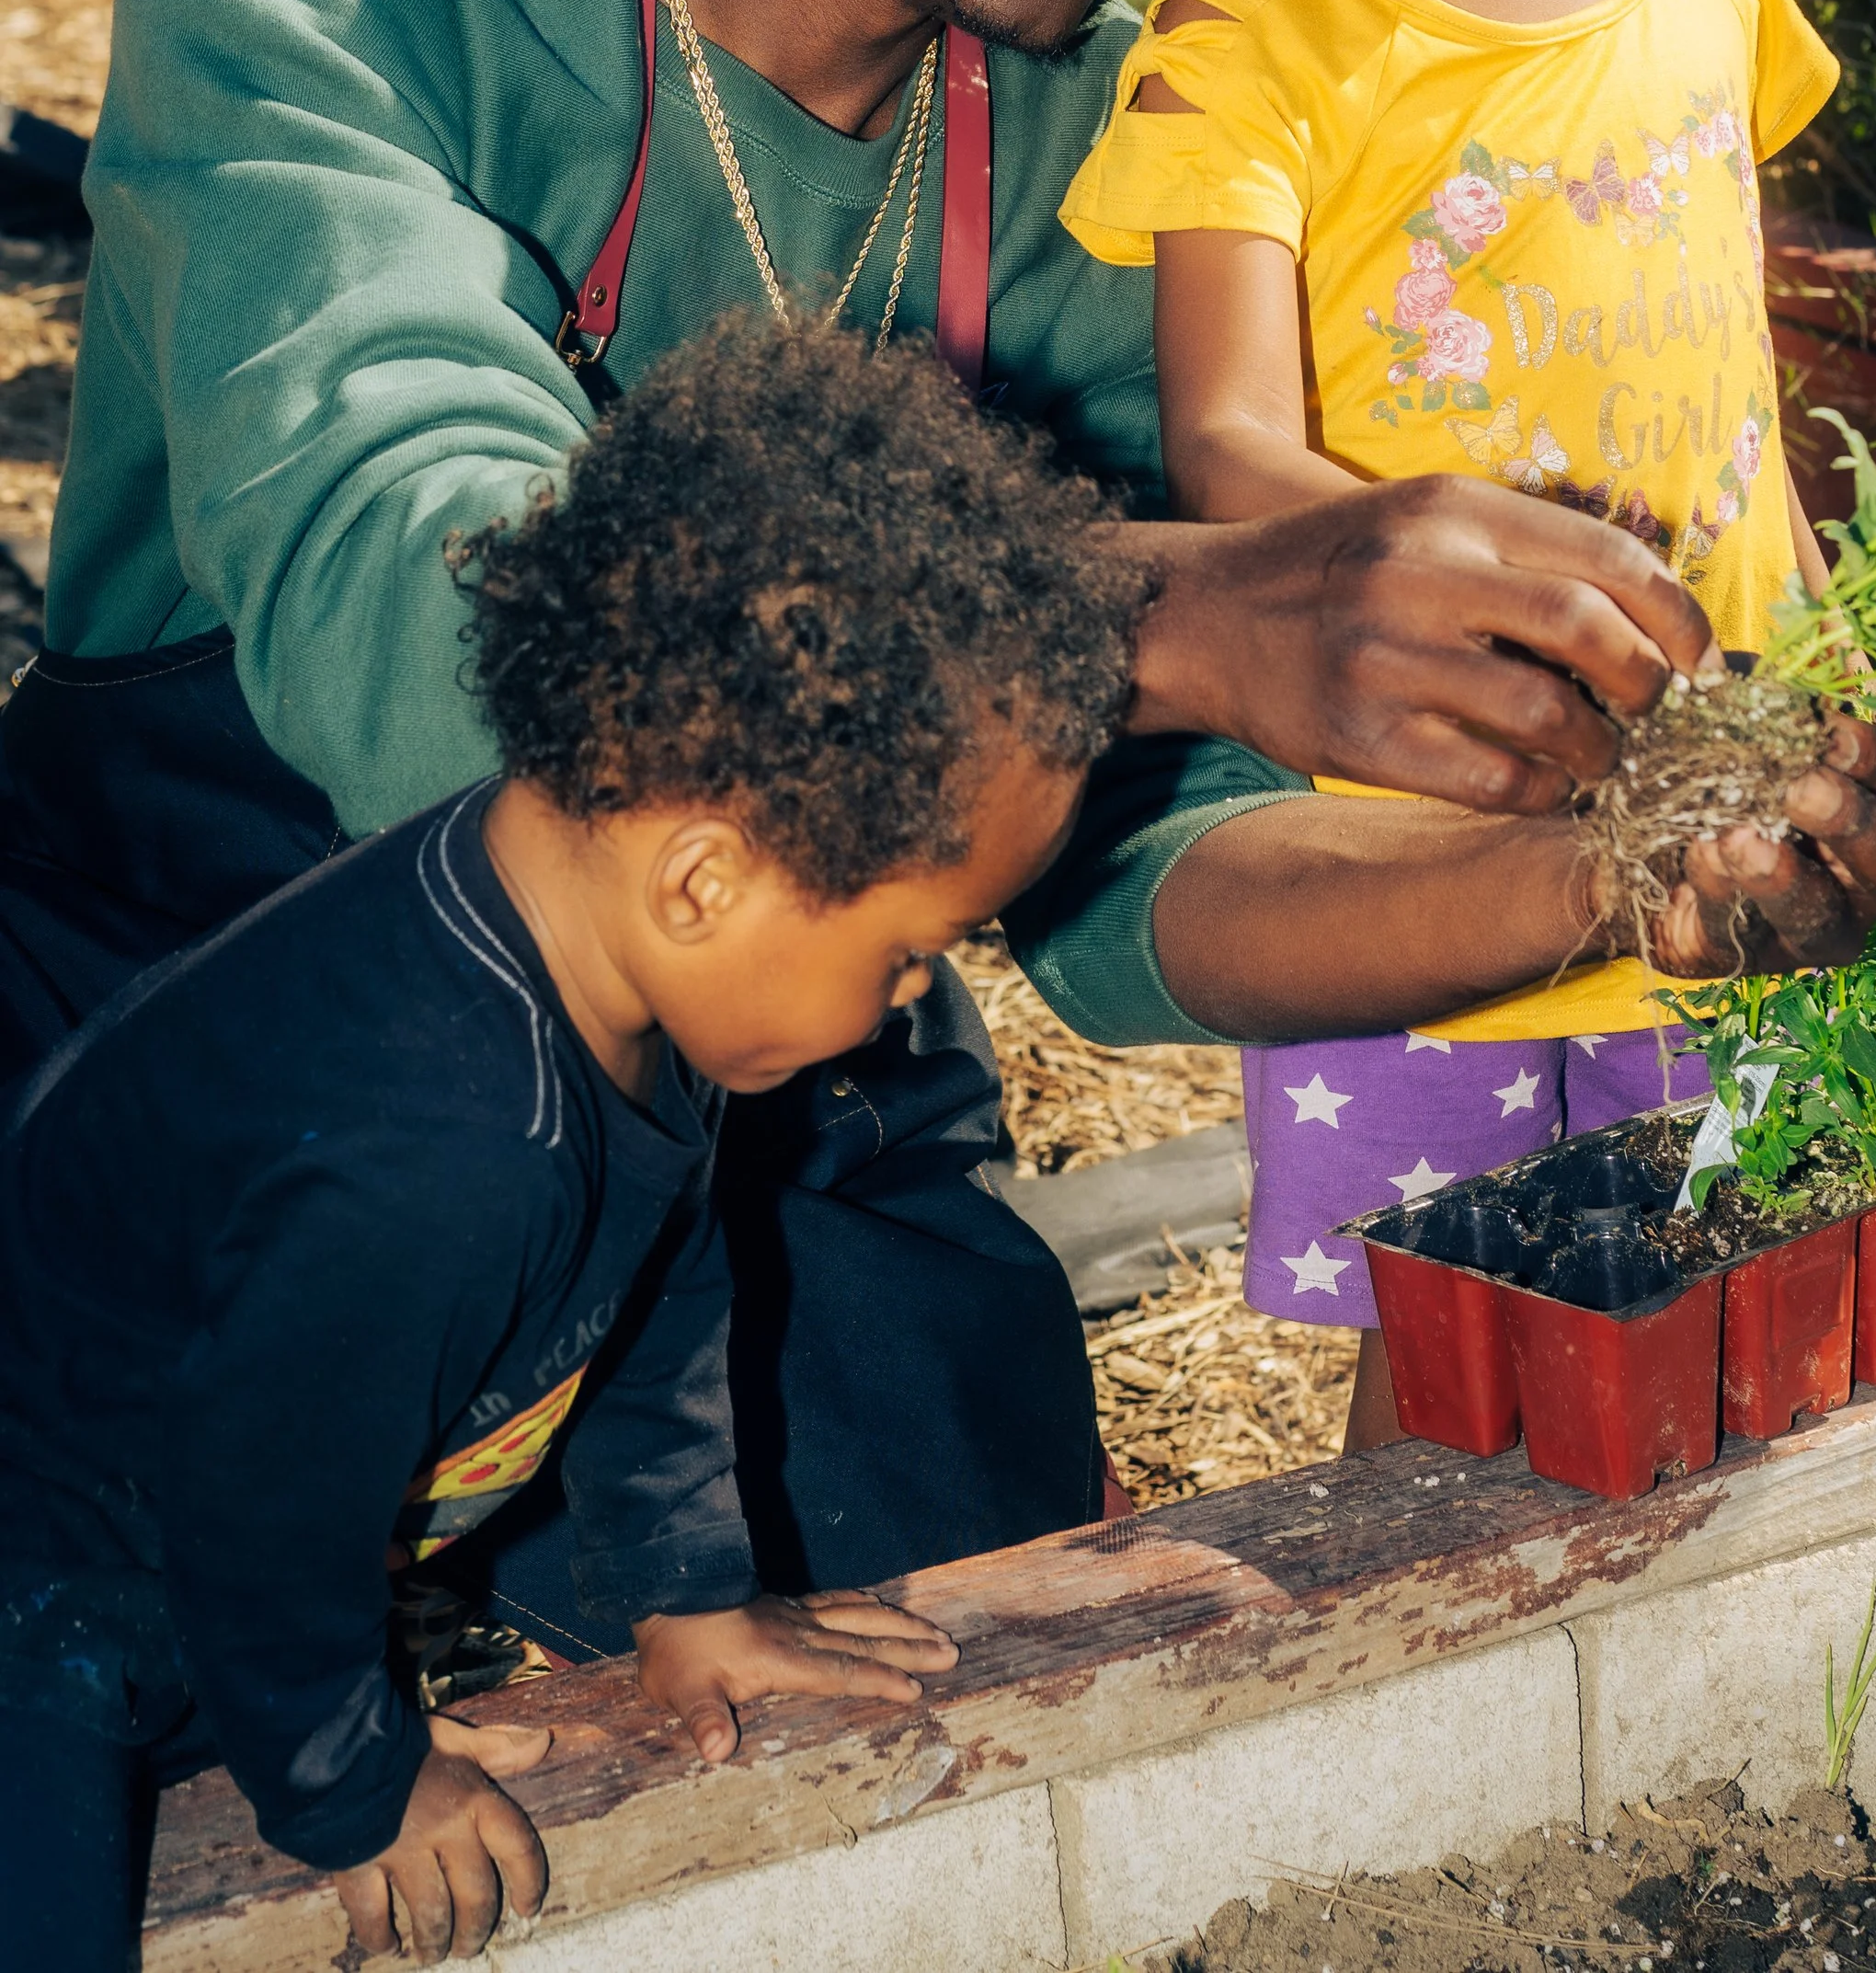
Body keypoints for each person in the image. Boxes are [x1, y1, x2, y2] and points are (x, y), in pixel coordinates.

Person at [2, 0, 1876, 1596]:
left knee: (955, 1569)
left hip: (759, 1060)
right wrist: (1189, 607)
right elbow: (439, 642)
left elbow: (1149, 887)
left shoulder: (1082, 154)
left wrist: (1612, 887)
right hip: (219, 974)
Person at [0, 312, 1161, 1971]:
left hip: (188, 1547)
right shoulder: (446, 1137)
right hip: (47, 1584)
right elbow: (263, 1494)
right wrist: (356, 1784)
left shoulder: (609, 972)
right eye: (911, 947)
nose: (920, 996)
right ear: (706, 880)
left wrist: (687, 1596)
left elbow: (652, 1293)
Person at [1060, 0, 1873, 1444]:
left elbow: (1727, 314)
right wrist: (1477, 631)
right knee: (1459, 1379)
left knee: (1757, 1323)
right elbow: (1229, 442)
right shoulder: (1250, 24)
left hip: (1736, 802)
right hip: (1444, 837)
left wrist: (1807, 632)